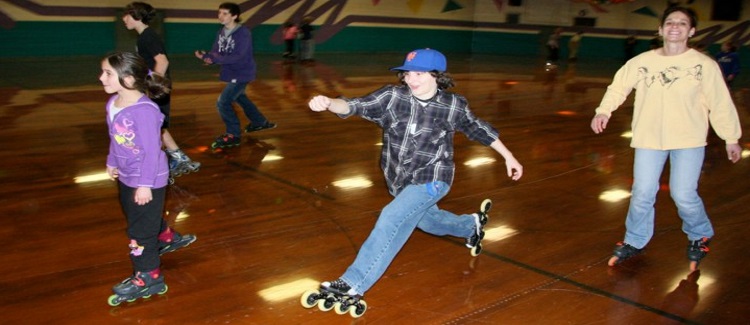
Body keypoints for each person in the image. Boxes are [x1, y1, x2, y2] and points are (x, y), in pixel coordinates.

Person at [304, 48, 523, 313]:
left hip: (434, 177)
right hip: (398, 179)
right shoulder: (392, 97)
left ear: (437, 76)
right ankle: (470, 226)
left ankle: (352, 283)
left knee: (391, 218)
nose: (411, 79)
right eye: (407, 73)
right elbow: (354, 105)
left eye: (419, 73)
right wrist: (329, 102)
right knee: (428, 221)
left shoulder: (453, 105)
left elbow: (479, 129)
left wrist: (509, 156)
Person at [590, 6, 742, 272]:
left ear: (691, 31)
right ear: (660, 29)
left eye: (682, 23)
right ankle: (635, 240)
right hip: (649, 138)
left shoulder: (704, 65)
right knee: (641, 193)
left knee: (684, 194)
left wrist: (731, 137)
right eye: (670, 22)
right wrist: (603, 111)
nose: (675, 26)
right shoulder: (641, 62)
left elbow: (720, 103)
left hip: (689, 139)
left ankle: (700, 234)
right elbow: (618, 87)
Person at [100, 52, 197, 306]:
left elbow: (153, 152)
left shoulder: (145, 112)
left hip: (149, 178)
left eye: (108, 73)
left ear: (129, 80)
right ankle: (165, 236)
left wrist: (145, 185)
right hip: (127, 173)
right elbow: (116, 138)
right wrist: (112, 160)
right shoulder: (113, 103)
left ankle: (149, 276)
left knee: (138, 231)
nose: (101, 78)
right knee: (135, 215)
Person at [122, 2, 200, 181]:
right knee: (157, 125)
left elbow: (162, 61)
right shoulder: (144, 37)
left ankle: (164, 162)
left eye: (126, 15)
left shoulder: (147, 36)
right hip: (157, 87)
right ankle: (178, 157)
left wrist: (153, 85)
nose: (123, 19)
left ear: (137, 16)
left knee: (154, 126)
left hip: (158, 88)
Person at [195, 2, 276, 150]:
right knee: (239, 96)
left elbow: (238, 56)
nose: (220, 16)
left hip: (242, 72)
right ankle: (259, 122)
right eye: (219, 13)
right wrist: (208, 57)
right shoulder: (220, 32)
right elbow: (216, 52)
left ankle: (233, 134)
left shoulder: (243, 33)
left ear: (234, 16)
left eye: (225, 13)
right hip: (230, 72)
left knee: (223, 102)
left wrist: (216, 59)